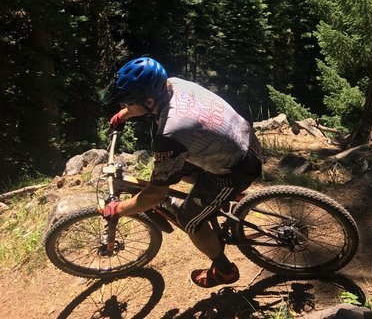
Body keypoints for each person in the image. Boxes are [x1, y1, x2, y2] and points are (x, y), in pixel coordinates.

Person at [101, 56, 262, 288]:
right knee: (173, 170)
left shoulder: (170, 133)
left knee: (188, 219)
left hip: (236, 168)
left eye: (128, 103)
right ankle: (222, 198)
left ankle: (224, 270)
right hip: (244, 138)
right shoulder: (173, 84)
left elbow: (155, 195)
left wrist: (119, 209)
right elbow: (145, 106)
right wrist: (125, 114)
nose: (124, 107)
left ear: (148, 101)